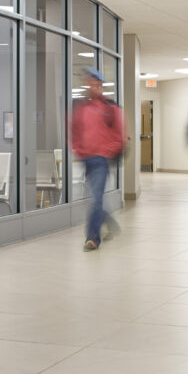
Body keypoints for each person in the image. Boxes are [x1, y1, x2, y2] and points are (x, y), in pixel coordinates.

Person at [70, 68, 124, 252]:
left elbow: (119, 135)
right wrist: (78, 149)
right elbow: (75, 131)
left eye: (95, 84)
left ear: (100, 86)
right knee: (95, 198)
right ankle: (110, 222)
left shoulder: (110, 108)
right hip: (87, 160)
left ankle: (92, 238)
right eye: (89, 83)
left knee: (95, 198)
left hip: (101, 160)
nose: (92, 87)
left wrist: (106, 151)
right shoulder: (81, 108)